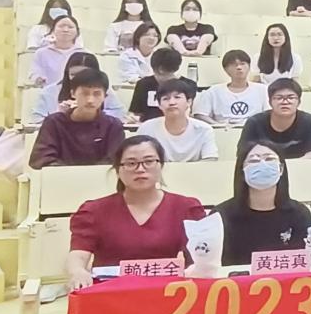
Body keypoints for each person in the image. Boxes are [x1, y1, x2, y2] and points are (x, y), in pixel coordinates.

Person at [65, 136, 206, 289]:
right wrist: (77, 271)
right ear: (118, 170)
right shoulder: (94, 211)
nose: (140, 169)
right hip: (110, 292)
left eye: (149, 161)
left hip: (167, 291)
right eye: (131, 163)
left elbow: (199, 260)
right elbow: (79, 254)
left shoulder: (186, 208)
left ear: (161, 165)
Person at [217, 141, 311, 265]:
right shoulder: (221, 215)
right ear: (242, 171)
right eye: (253, 161)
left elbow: (301, 261)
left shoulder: (299, 214)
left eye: (269, 159)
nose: (262, 165)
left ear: (281, 169)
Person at [29, 69, 125, 169]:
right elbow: (42, 158)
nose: (90, 100)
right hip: (61, 176)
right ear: (73, 93)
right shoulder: (54, 122)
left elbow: (115, 160)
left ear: (105, 96)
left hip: (100, 177)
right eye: (85, 93)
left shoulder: (113, 125)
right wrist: (71, 173)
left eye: (96, 94)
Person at [31, 52, 126, 125]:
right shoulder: (49, 92)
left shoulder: (103, 91)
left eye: (84, 74)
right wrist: (60, 114)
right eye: (73, 74)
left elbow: (120, 114)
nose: (78, 78)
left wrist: (92, 113)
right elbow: (36, 120)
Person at [136, 80, 219, 162]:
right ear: (159, 105)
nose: (172, 102)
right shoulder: (146, 128)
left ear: (189, 102)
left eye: (177, 97)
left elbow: (210, 159)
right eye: (166, 98)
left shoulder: (204, 129)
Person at [239, 79, 311, 159]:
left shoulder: (309, 121)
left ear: (299, 102)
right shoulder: (254, 122)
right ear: (270, 102)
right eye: (279, 98)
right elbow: (243, 153)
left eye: (291, 98)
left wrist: (290, 165)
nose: (285, 102)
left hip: (300, 166)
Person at [192, 50, 269, 125]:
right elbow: (200, 114)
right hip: (222, 130)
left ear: (249, 67)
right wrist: (218, 125)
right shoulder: (214, 91)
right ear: (226, 69)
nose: (239, 67)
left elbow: (269, 113)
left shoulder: (262, 90)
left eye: (242, 64)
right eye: (234, 65)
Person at [129, 47, 195, 122]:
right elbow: (136, 113)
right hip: (148, 125)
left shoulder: (188, 85)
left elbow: (189, 112)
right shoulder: (143, 84)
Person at [29, 15, 83, 86]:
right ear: (53, 30)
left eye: (70, 27)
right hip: (49, 91)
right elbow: (34, 72)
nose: (65, 30)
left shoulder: (85, 54)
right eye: (61, 26)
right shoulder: (41, 53)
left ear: (77, 32)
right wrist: (39, 78)